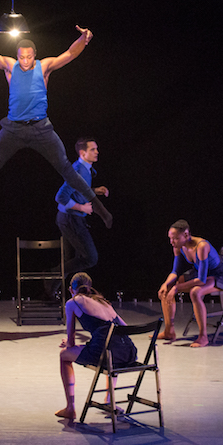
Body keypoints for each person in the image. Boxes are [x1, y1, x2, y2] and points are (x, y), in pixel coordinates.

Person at [0, 16, 113, 228]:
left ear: (34, 55)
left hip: (41, 129)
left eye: (28, 57)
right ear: (17, 56)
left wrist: (84, 39)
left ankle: (99, 208)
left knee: (66, 168)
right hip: (13, 130)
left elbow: (70, 54)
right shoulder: (10, 66)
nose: (25, 61)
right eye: (21, 57)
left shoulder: (44, 67)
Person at [56, 273, 136, 421]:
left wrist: (67, 342)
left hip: (105, 354)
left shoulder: (72, 303)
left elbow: (71, 343)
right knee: (111, 348)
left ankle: (70, 408)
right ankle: (109, 400)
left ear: (71, 289)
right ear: (89, 287)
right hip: (127, 353)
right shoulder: (103, 302)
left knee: (64, 355)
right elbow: (125, 327)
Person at [157, 220, 223, 347]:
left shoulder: (201, 246)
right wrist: (166, 283)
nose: (172, 242)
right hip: (198, 274)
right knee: (166, 289)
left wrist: (177, 287)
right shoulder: (178, 247)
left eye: (175, 238)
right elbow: (175, 271)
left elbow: (201, 280)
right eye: (170, 238)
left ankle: (203, 336)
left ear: (186, 235)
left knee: (195, 292)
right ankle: (169, 331)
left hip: (216, 276)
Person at [49, 137, 109, 298]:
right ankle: (52, 276)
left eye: (96, 148)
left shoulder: (85, 169)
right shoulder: (78, 170)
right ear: (82, 153)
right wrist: (82, 207)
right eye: (92, 149)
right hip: (70, 219)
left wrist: (94, 190)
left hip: (71, 219)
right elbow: (60, 196)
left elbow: (78, 189)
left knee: (74, 258)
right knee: (90, 257)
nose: (97, 152)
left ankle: (53, 290)